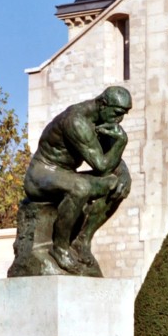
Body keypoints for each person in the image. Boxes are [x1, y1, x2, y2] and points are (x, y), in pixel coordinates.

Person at [24, 86, 132, 275]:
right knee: (81, 188)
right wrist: (122, 142)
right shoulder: (77, 120)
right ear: (103, 104)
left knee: (116, 185)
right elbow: (101, 165)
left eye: (123, 114)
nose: (119, 120)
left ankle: (82, 240)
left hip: (66, 174)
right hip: (41, 174)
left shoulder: (102, 122)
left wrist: (125, 174)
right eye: (117, 113)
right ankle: (59, 248)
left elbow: (112, 160)